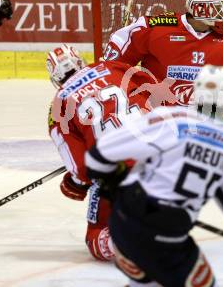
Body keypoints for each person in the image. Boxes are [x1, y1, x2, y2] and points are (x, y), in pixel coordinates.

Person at [84, 65, 223, 287]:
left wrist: (114, 179)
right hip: (167, 237)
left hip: (122, 224)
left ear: (197, 92)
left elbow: (97, 156)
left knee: (146, 284)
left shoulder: (167, 118)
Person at [47, 44, 152, 261]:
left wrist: (75, 183)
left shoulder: (58, 106)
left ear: (55, 78)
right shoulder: (112, 67)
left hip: (121, 173)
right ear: (80, 61)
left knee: (95, 238)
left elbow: (82, 169)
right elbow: (156, 92)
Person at [103, 0, 223, 106]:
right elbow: (113, 62)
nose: (221, 13)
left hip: (209, 118)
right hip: (157, 114)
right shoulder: (155, 28)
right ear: (200, 8)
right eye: (217, 8)